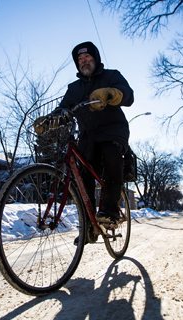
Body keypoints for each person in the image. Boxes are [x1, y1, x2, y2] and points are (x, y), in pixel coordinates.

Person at [57, 41, 134, 233]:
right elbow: (63, 108)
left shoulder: (111, 75)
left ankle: (109, 212)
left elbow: (129, 96)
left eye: (87, 57)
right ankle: (88, 225)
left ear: (95, 58)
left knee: (111, 158)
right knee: (83, 175)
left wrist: (112, 93)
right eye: (80, 59)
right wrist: (51, 119)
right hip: (88, 136)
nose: (84, 61)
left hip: (113, 130)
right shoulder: (74, 88)